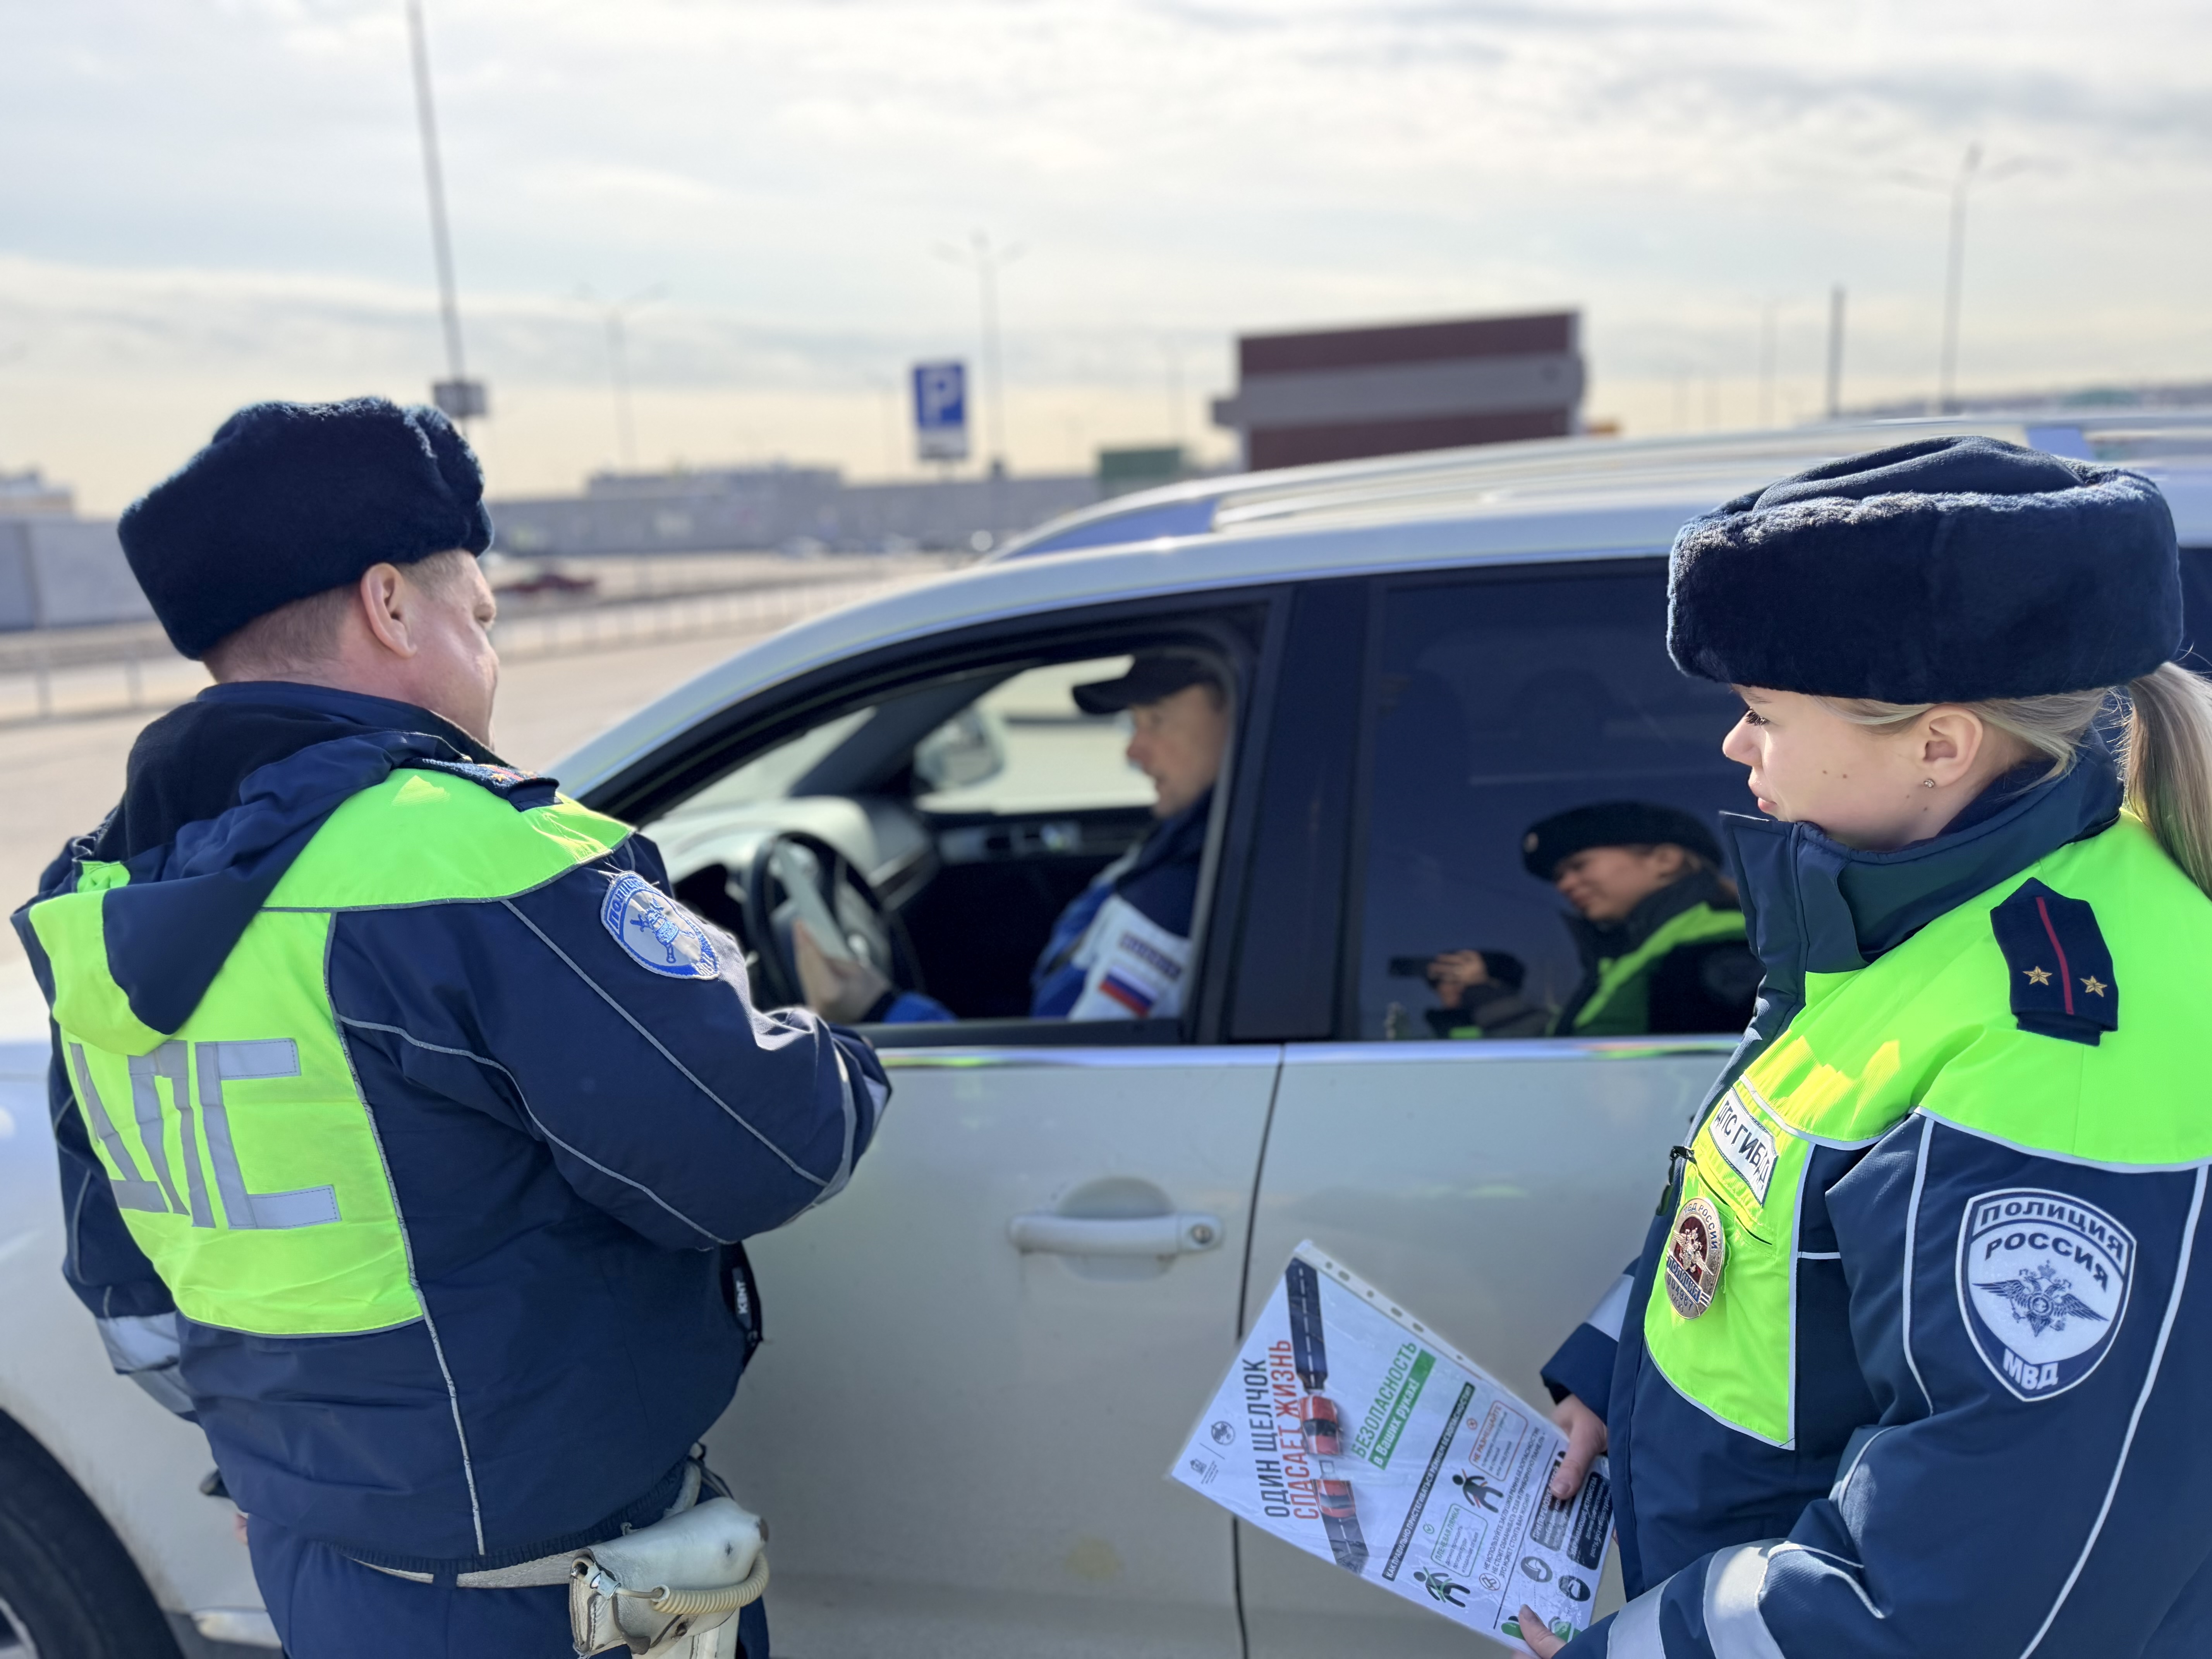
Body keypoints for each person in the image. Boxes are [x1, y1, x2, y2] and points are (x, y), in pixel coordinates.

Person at [8, 399, 889, 1659]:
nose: (492, 651)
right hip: (563, 1592)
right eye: (481, 614)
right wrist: (840, 1035)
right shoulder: (459, 855)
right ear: (390, 605)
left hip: (319, 1561)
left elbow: (125, 1279)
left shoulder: (96, 898)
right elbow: (760, 1145)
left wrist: (302, 1474)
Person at [1518, 435, 2212, 1657]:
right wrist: (1619, 1361)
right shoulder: (1909, 908)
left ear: (1938, 745)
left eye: (1761, 714)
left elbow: (1963, 1586)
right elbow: (1783, 1204)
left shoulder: (2060, 1038)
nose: (1734, 749)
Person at [799, 651, 1228, 1024]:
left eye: (1156, 720)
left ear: (1240, 714)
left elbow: (1063, 1097)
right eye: (1133, 723)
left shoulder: (1174, 901)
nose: (1133, 751)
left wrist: (879, 1012)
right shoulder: (1189, 844)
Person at [1424, 801, 1758, 1038]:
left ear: (1665, 860)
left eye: (1579, 866)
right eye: (1559, 876)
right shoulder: (1628, 956)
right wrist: (1475, 1002)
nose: (1564, 885)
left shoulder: (1716, 950)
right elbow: (1566, 1048)